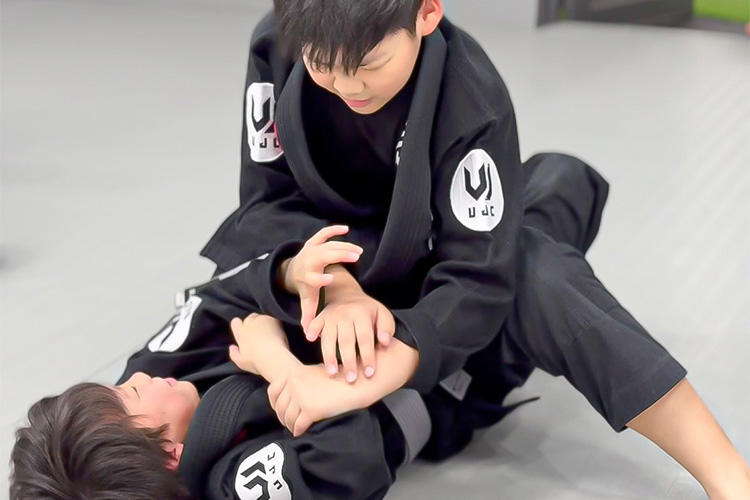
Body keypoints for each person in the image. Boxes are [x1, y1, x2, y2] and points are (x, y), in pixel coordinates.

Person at [10, 0, 750, 498]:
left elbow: (232, 286)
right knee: (538, 258)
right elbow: (263, 205)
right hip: (436, 358)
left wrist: (307, 288)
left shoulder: (468, 94)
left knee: (550, 189)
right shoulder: (278, 44)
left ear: (427, 11)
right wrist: (308, 330)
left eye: (366, 65)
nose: (342, 85)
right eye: (320, 64)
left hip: (399, 278)